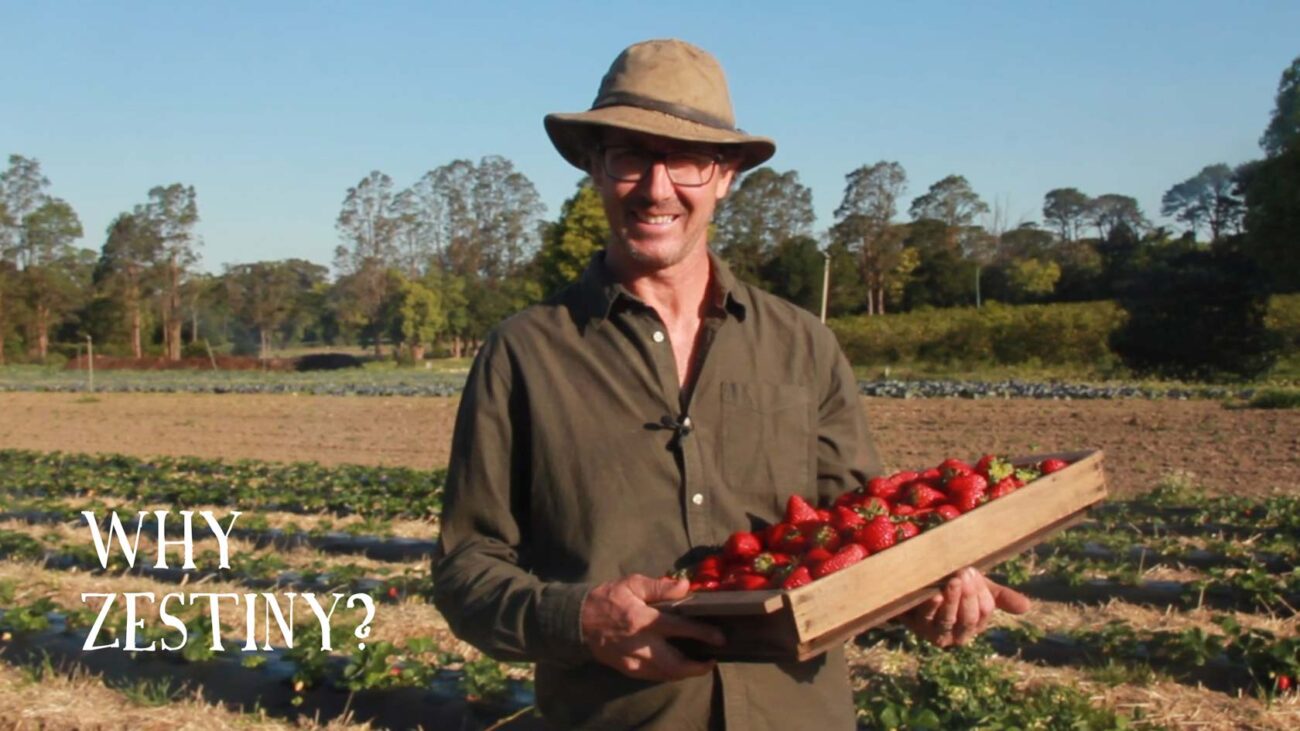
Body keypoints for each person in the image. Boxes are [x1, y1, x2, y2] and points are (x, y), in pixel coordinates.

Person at [433, 38, 1031, 730]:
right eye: (629, 155)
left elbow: (863, 534)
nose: (657, 188)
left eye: (685, 159)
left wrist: (929, 584)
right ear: (595, 168)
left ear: (726, 175)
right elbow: (465, 570)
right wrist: (581, 616)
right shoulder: (526, 353)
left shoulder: (802, 345)